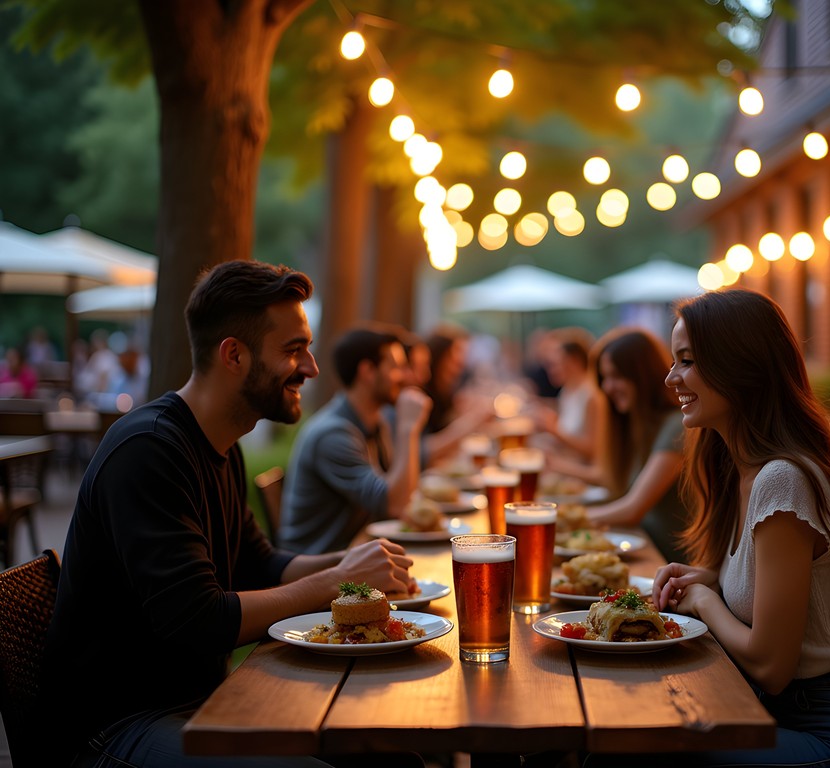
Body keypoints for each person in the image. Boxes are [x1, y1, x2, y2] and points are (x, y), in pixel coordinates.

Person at [40, 261, 421, 768]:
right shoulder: (148, 450)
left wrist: (362, 570)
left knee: (392, 755)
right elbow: (201, 620)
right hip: (116, 730)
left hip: (202, 706)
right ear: (234, 355)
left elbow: (260, 565)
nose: (310, 367)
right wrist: (337, 580)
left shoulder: (221, 445)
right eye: (293, 350)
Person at [644, 288, 830, 767]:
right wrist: (710, 578)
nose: (671, 376)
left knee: (650, 748)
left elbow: (771, 666)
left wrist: (705, 600)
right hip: (776, 715)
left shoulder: (782, 480)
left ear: (741, 367)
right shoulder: (736, 470)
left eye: (688, 361)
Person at [278, 327, 432, 554]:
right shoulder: (333, 434)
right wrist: (409, 428)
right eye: (396, 367)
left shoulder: (375, 422)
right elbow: (396, 505)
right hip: (319, 569)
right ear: (368, 371)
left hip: (355, 553)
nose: (406, 376)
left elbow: (401, 496)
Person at [545, 327, 685, 561]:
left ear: (644, 374)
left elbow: (632, 509)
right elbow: (612, 486)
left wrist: (553, 518)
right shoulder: (636, 426)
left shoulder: (676, 426)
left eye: (617, 376)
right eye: (604, 378)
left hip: (667, 563)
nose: (608, 387)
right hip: (641, 550)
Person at [421, 323, 493, 464]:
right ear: (438, 356)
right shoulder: (420, 395)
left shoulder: (446, 392)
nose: (461, 362)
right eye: (456, 352)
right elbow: (423, 452)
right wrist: (471, 420)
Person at [531, 327, 604, 463]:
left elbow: (593, 451)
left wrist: (554, 431)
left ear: (574, 361)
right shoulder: (567, 390)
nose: (550, 370)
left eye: (556, 364)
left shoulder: (592, 396)